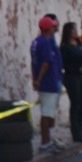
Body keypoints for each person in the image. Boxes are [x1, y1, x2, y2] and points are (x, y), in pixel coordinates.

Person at [30, 14, 64, 153]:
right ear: (48, 28)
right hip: (48, 82)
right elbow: (45, 64)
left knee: (48, 112)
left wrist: (35, 79)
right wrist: (38, 80)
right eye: (52, 26)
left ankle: (49, 139)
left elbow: (34, 63)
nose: (54, 28)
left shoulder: (36, 42)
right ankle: (45, 142)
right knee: (47, 113)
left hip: (46, 82)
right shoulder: (45, 42)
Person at [59, 21, 82, 143]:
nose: (75, 32)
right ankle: (75, 132)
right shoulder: (65, 47)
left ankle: (81, 127)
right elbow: (64, 64)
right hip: (71, 76)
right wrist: (76, 68)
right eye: (73, 30)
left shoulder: (79, 43)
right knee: (75, 103)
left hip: (81, 75)